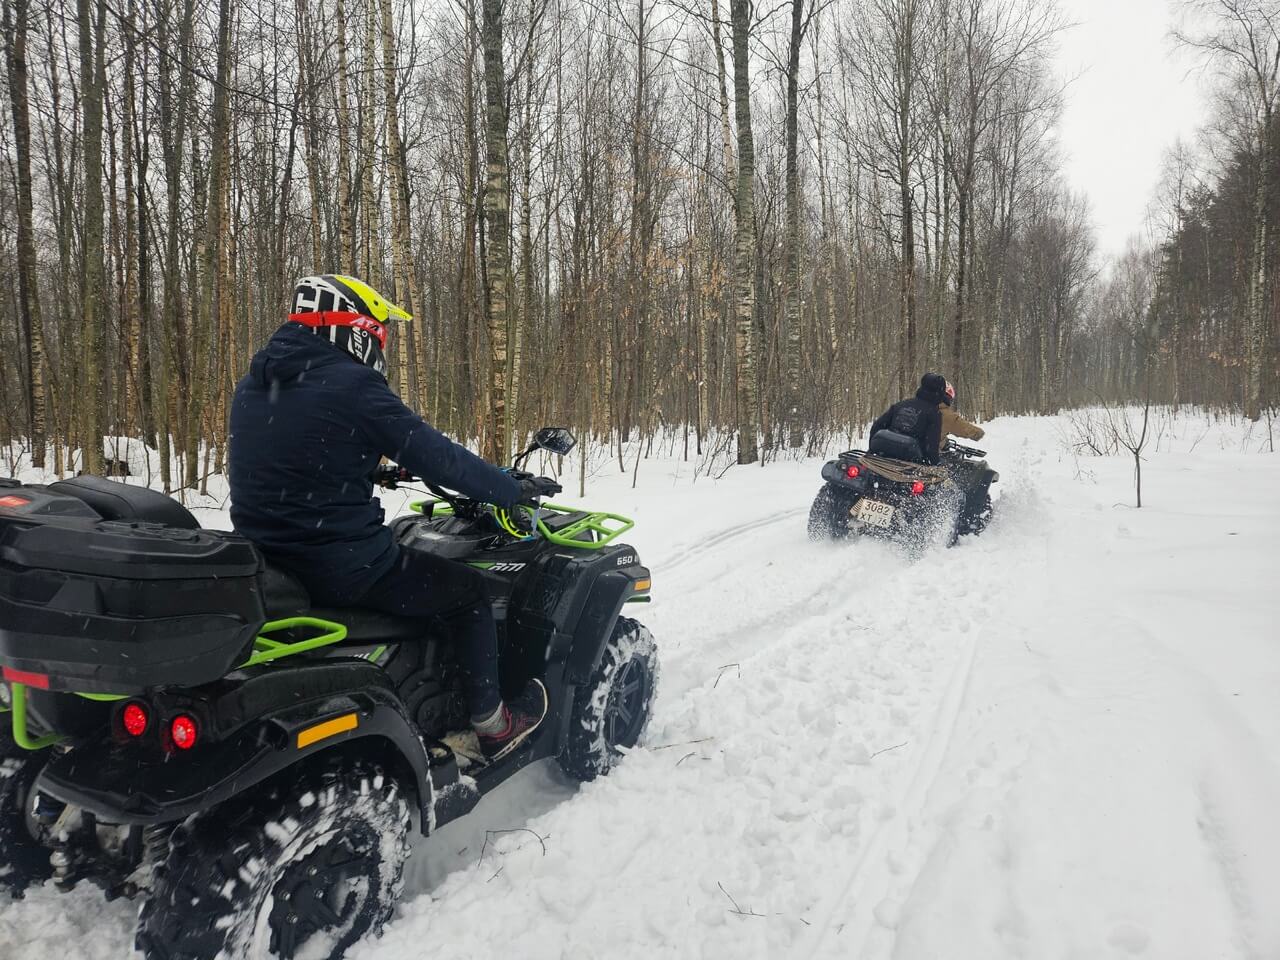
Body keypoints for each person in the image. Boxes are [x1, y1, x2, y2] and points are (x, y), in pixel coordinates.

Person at [229, 274, 547, 761]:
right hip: (342, 567)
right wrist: (510, 490)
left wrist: (367, 465)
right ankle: (493, 723)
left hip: (268, 560)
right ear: (355, 327)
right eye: (379, 330)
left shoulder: (254, 384)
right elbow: (440, 457)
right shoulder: (352, 384)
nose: (382, 342)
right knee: (468, 592)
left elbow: (295, 457)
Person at [868, 373, 949, 464]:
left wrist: (871, 449)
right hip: (909, 457)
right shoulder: (934, 414)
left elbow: (877, 425)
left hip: (883, 449)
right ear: (940, 393)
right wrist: (935, 463)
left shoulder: (901, 405)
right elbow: (931, 444)